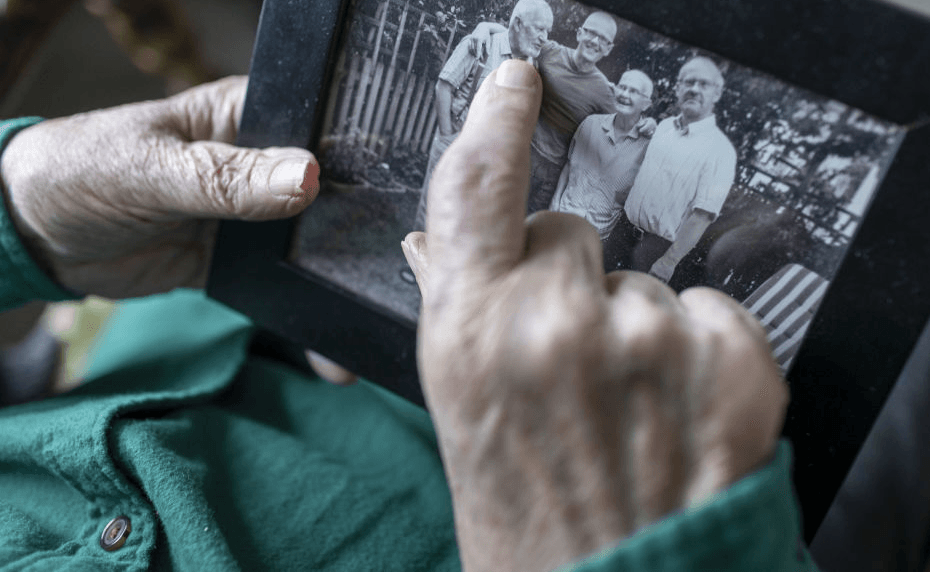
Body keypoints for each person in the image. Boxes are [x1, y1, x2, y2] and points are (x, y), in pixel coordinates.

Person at [0, 65, 815, 570]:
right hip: (646, 493)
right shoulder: (600, 120)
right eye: (671, 86)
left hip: (183, 302)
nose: (657, 96)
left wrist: (15, 213)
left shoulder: (672, 135)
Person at [414, 0, 553, 230]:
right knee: (433, 206)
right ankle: (412, 263)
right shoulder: (481, 45)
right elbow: (444, 87)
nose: (544, 38)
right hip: (455, 139)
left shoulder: (530, 66)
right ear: (518, 23)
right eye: (540, 29)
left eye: (548, 31)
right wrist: (447, 135)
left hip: (488, 155)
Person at [472, 11, 619, 212]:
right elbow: (515, 35)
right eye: (591, 33)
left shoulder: (603, 91)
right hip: (520, 151)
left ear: (609, 49)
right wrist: (484, 28)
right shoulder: (551, 52)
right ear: (579, 33)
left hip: (552, 173)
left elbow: (622, 128)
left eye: (603, 39)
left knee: (525, 231)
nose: (595, 41)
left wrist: (648, 125)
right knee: (491, 211)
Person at [611, 56, 737, 284]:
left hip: (655, 250)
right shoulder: (665, 127)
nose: (694, 89)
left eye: (703, 84)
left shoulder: (722, 151)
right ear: (678, 89)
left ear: (716, 93)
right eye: (688, 83)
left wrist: (669, 261)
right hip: (621, 231)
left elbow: (702, 215)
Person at [549, 69, 655, 248]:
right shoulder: (590, 123)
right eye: (622, 87)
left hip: (597, 236)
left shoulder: (649, 147)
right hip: (561, 218)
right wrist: (554, 203)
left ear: (646, 104)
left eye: (633, 91)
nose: (624, 94)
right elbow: (568, 165)